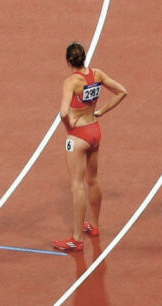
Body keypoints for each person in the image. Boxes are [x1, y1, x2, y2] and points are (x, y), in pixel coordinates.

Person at [53, 42, 127, 251]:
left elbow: (64, 113)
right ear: (84, 57)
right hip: (95, 130)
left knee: (77, 185)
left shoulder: (71, 82)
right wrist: (101, 111)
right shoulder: (97, 74)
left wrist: (70, 128)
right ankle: (94, 225)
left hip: (78, 136)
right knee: (93, 180)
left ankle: (76, 239)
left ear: (68, 61)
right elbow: (122, 92)